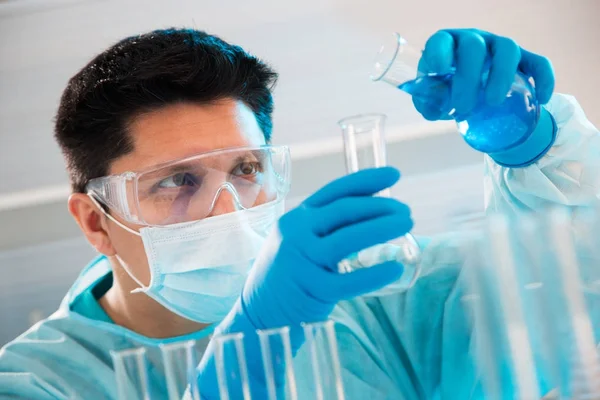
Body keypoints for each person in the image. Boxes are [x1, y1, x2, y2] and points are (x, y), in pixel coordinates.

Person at [0, 27, 598, 399]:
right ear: (96, 222)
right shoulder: (36, 384)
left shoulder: (368, 296)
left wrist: (531, 144)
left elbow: (564, 290)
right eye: (178, 181)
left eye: (246, 170)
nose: (228, 209)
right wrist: (249, 347)